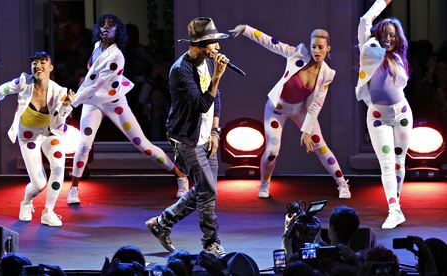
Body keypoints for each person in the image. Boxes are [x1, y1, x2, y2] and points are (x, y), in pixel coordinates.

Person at [68, 14, 188, 204]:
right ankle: (73, 188)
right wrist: (83, 82)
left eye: (111, 26)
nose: (105, 28)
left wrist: (74, 100)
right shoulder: (97, 47)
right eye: (103, 25)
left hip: (114, 102)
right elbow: (92, 76)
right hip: (93, 101)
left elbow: (98, 83)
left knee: (142, 145)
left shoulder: (116, 56)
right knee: (83, 145)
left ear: (118, 31)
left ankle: (180, 176)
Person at [229, 24, 351, 199]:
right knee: (272, 151)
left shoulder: (327, 74)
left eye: (321, 47)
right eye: (313, 46)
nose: (316, 50)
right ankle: (265, 183)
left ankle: (342, 184)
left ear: (328, 49)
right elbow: (270, 42)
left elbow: (317, 104)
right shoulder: (298, 54)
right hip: (277, 110)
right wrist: (247, 30)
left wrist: (307, 130)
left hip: (302, 110)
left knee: (320, 145)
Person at [145, 17, 228, 257]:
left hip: (205, 137)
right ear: (200, 43)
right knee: (208, 191)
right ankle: (210, 242)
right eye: (213, 42)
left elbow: (217, 97)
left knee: (205, 190)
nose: (218, 47)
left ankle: (162, 223)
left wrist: (215, 131)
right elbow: (203, 104)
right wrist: (217, 77)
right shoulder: (181, 70)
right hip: (186, 139)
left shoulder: (206, 61)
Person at [0, 51, 74, 226]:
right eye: (35, 63)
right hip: (29, 135)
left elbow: (58, 124)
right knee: (39, 182)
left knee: (58, 168)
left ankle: (48, 212)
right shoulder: (24, 82)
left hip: (50, 132)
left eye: (43, 63)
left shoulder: (59, 92)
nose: (38, 66)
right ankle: (26, 201)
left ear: (50, 67)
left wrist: (65, 107)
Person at [356, 0, 412, 229]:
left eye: (392, 35)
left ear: (397, 38)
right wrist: (383, 1)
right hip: (378, 117)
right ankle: (393, 209)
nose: (388, 38)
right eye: (384, 34)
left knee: (399, 162)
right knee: (387, 164)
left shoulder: (399, 58)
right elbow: (364, 21)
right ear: (378, 36)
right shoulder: (369, 50)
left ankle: (396, 206)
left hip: (402, 114)